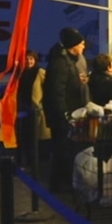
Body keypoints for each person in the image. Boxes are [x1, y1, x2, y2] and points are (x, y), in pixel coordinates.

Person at [43, 27, 89, 192]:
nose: (84, 47)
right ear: (73, 45)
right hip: (63, 116)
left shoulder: (72, 60)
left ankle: (64, 183)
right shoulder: (60, 63)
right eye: (81, 44)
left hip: (71, 114)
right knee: (62, 149)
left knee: (65, 149)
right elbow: (57, 92)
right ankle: (60, 185)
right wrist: (64, 115)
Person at [17, 49, 51, 171]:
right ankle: (27, 163)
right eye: (26, 59)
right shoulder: (21, 73)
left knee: (39, 140)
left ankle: (39, 165)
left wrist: (42, 105)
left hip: (37, 111)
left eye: (31, 59)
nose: (28, 61)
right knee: (25, 138)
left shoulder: (40, 72)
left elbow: (48, 89)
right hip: (23, 111)